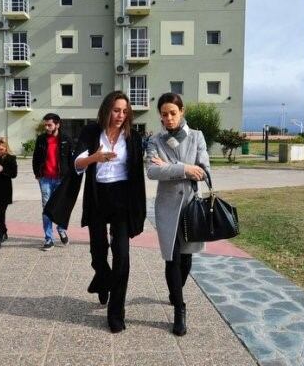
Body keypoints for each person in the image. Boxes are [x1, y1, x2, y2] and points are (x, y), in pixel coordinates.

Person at [45, 91, 146, 333]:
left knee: (122, 256)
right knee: (97, 252)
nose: (121, 115)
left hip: (122, 198)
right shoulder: (91, 132)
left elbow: (137, 172)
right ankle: (103, 278)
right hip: (98, 196)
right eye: (116, 110)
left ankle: (116, 313)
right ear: (106, 109)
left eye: (124, 111)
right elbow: (76, 164)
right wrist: (95, 157)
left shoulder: (132, 136)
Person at [146, 92, 209, 336]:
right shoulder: (156, 141)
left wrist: (170, 168)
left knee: (185, 258)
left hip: (191, 206)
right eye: (164, 114)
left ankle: (175, 292)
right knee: (171, 257)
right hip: (166, 208)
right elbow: (151, 171)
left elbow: (202, 171)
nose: (169, 118)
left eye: (173, 113)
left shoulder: (197, 137)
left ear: (182, 111)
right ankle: (179, 310)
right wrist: (185, 168)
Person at [32, 113, 73, 251]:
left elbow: (70, 160)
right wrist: (37, 174)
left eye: (50, 125)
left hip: (61, 179)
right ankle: (49, 239)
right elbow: (36, 157)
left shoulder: (66, 139)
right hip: (45, 179)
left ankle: (61, 229)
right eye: (46, 125)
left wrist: (70, 177)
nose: (47, 127)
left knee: (61, 207)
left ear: (57, 124)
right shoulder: (41, 139)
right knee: (46, 209)